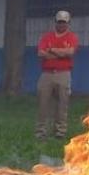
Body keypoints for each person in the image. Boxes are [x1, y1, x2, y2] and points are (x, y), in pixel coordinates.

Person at [36, 10, 79, 140]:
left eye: (64, 22)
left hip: (63, 74)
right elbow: (41, 53)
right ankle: (40, 133)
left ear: (68, 23)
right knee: (43, 104)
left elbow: (70, 52)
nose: (61, 25)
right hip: (47, 74)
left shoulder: (72, 37)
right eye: (59, 22)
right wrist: (61, 53)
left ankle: (60, 132)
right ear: (55, 22)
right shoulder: (47, 37)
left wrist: (52, 50)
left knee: (62, 104)